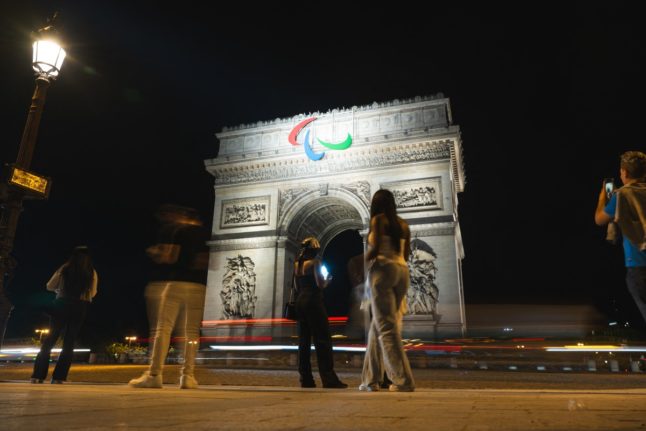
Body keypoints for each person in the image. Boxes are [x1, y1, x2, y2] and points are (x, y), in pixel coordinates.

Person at [129, 205, 209, 389]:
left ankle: (154, 374)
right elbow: (207, 262)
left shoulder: (178, 231)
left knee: (162, 329)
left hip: (175, 284)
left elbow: (169, 257)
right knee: (191, 334)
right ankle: (188, 376)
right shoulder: (206, 235)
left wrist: (154, 252)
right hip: (198, 286)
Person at [360, 189, 415, 392]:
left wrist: (358, 262)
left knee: (386, 329)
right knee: (379, 326)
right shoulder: (403, 224)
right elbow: (406, 255)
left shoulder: (378, 220)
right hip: (402, 271)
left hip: (383, 271)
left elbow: (373, 252)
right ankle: (370, 380)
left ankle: (403, 380)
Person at [31, 246, 98, 384]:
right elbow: (93, 293)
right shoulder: (91, 272)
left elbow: (49, 286)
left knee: (50, 339)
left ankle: (38, 375)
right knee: (69, 341)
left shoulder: (65, 268)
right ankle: (59, 377)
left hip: (61, 303)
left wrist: (59, 290)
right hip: (80, 306)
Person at [595, 151, 646, 326]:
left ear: (624, 172)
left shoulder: (621, 195)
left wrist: (603, 197)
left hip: (638, 264)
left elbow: (600, 219)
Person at [294, 237, 347, 388]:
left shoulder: (296, 264)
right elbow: (320, 284)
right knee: (323, 340)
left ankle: (306, 379)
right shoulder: (315, 263)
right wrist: (328, 279)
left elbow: (297, 288)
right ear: (314, 250)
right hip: (313, 302)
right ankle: (329, 379)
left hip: (300, 302)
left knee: (303, 342)